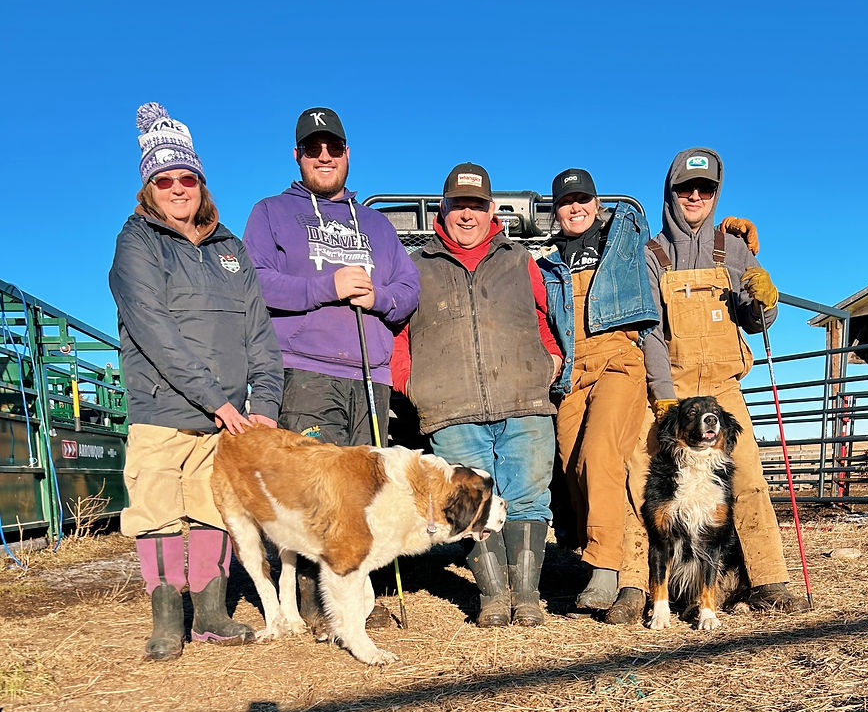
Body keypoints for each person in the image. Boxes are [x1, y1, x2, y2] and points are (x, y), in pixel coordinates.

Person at [109, 102, 284, 662]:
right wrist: (215, 400)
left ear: (201, 182)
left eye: (188, 177)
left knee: (215, 510)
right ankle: (167, 620)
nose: (178, 188)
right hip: (164, 410)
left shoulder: (230, 249)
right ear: (149, 188)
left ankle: (211, 614)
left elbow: (260, 331)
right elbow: (154, 331)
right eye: (165, 179)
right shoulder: (136, 243)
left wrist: (266, 403)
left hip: (228, 419)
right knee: (157, 511)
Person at [243, 106, 420, 629]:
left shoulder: (377, 225)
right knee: (315, 490)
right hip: (305, 370)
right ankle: (320, 605)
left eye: (334, 148)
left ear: (347, 155)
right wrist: (328, 285)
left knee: (363, 490)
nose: (325, 156)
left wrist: (380, 296)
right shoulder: (271, 212)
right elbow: (253, 280)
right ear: (297, 156)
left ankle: (358, 597)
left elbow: (409, 291)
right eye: (313, 149)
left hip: (369, 375)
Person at [391, 163, 562, 627]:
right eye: (457, 206)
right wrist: (409, 382)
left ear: (491, 211)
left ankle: (524, 596)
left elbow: (545, 318)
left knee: (528, 498)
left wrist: (551, 361)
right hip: (450, 407)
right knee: (468, 502)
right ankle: (491, 597)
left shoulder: (519, 260)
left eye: (476, 206)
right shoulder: (416, 265)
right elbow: (399, 333)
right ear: (441, 212)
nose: (467, 215)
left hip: (524, 398)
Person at [641, 147, 805, 612]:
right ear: (670, 193)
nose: (695, 196)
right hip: (673, 390)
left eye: (706, 188)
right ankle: (638, 587)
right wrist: (664, 400)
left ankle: (769, 579)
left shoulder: (733, 249)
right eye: (685, 188)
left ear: (716, 194)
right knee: (643, 471)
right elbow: (651, 330)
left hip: (722, 387)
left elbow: (756, 319)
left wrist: (764, 300)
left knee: (749, 476)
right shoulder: (653, 254)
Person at [537, 169, 660, 625]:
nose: (576, 207)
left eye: (583, 199)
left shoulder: (621, 240)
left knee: (599, 453)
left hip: (617, 357)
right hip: (573, 368)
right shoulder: (547, 264)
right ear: (556, 209)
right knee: (571, 463)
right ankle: (592, 549)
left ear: (596, 203)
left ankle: (606, 567)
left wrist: (727, 230)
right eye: (566, 201)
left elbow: (644, 221)